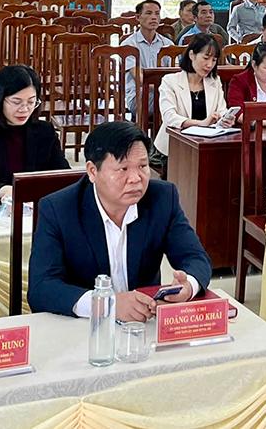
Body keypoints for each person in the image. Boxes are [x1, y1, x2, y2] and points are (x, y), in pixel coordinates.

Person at [28, 121, 211, 321]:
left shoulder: (162, 198)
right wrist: (107, 305)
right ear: (92, 171)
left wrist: (188, 285)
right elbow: (41, 287)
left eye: (143, 166)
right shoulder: (58, 209)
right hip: (83, 328)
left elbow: (195, 258)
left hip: (143, 325)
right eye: (123, 169)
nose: (135, 178)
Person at [0, 65, 70, 205]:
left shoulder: (45, 131)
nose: (24, 109)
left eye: (31, 102)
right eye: (16, 102)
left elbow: (63, 175)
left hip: (38, 209)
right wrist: (2, 190)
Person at [156, 34, 236, 155]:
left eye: (214, 60)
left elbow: (221, 110)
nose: (209, 65)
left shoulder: (214, 81)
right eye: (206, 58)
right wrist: (201, 123)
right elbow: (169, 117)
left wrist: (225, 119)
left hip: (206, 145)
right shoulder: (170, 81)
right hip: (174, 149)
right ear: (192, 55)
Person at [121, 0, 173, 114]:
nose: (154, 17)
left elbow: (175, 73)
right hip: (138, 96)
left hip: (165, 93)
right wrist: (165, 89)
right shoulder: (129, 45)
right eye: (149, 13)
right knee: (175, 104)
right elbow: (139, 78)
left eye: (157, 13)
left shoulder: (168, 44)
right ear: (138, 18)